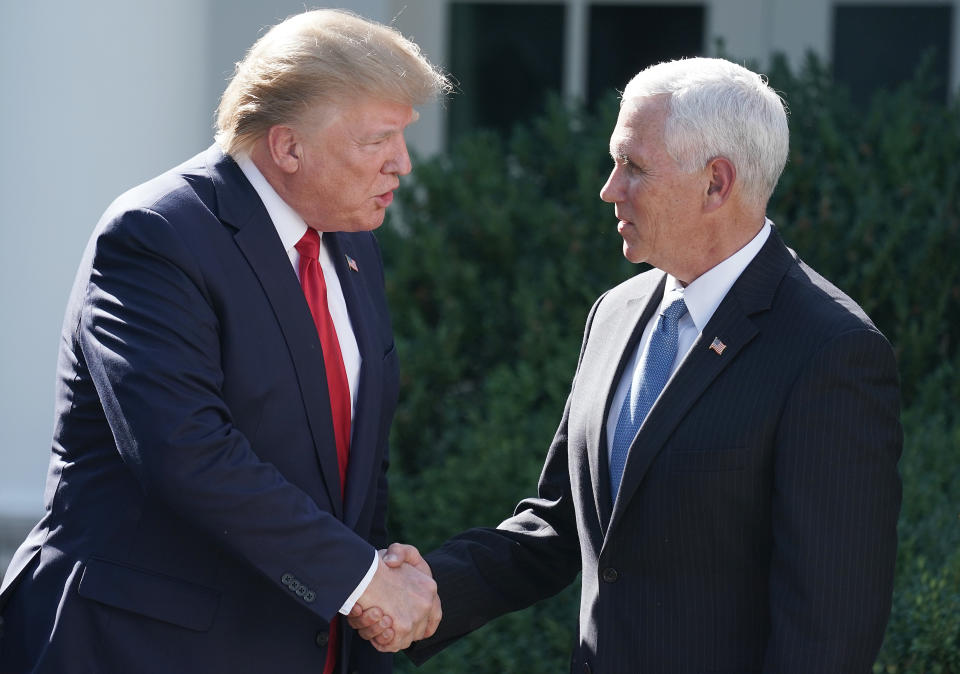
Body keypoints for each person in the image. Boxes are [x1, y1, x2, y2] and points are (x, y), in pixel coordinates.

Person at [352, 57, 903, 673]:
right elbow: (562, 525)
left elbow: (829, 633)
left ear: (716, 183)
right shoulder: (616, 313)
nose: (608, 188)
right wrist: (417, 594)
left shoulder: (831, 351)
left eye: (633, 167)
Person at [0, 9, 449, 674]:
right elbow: (186, 451)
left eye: (403, 137)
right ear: (287, 146)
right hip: (145, 648)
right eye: (378, 140)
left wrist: (375, 584)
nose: (403, 165)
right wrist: (361, 579)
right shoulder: (157, 235)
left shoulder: (351, 246)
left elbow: (350, 468)